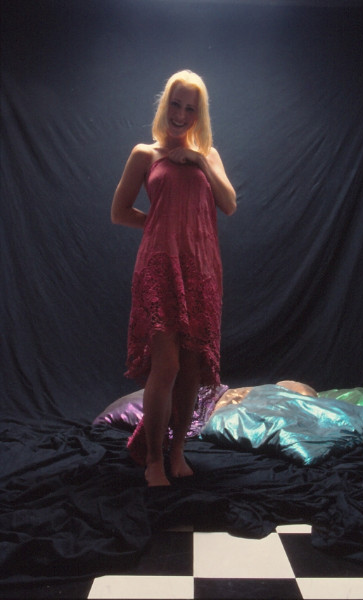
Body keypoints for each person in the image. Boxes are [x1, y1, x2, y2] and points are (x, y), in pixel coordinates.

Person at [111, 70, 236, 486]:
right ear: (165, 105)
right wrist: (160, 225)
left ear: (199, 115)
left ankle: (178, 450)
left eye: (190, 109)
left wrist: (198, 159)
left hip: (201, 269)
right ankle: (153, 460)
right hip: (159, 266)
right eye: (176, 105)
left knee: (192, 369)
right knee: (165, 365)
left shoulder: (209, 155)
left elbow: (229, 204)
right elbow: (119, 212)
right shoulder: (144, 154)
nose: (181, 115)